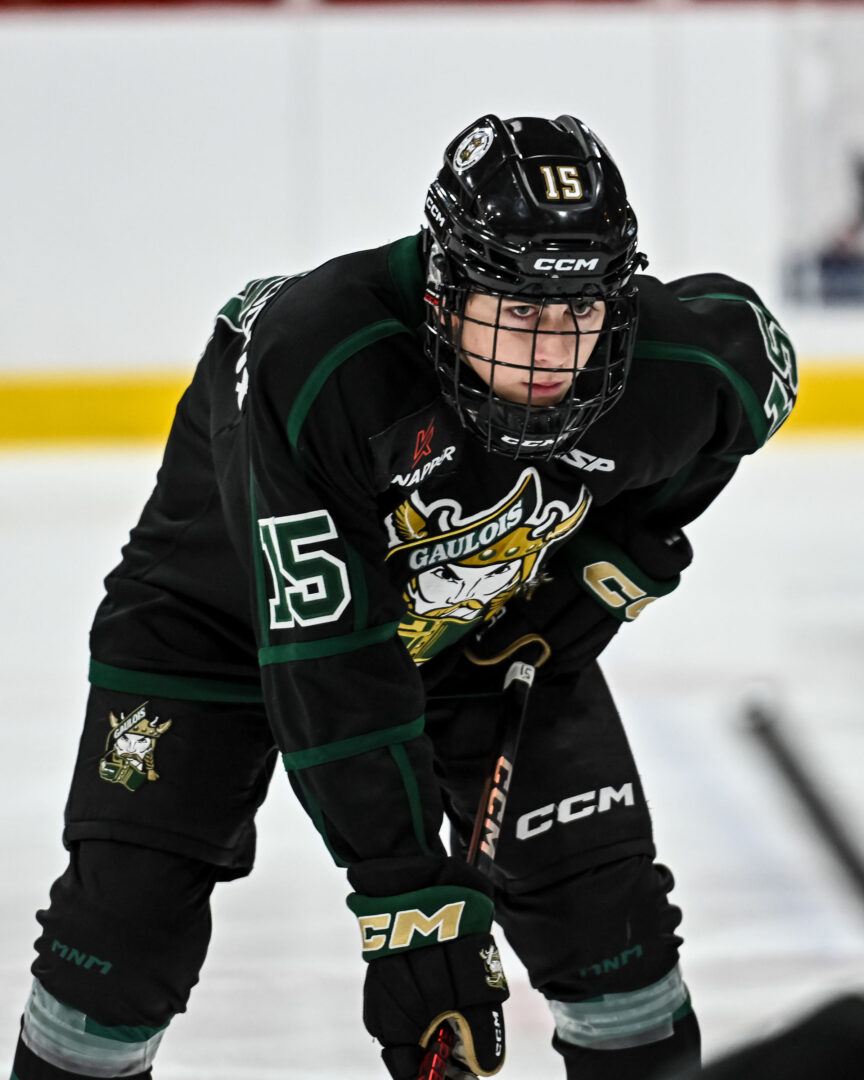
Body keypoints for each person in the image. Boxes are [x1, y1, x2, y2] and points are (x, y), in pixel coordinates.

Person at [10, 113, 797, 1080]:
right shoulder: (322, 359)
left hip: (481, 632)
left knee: (612, 929)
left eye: (579, 314)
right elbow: (328, 657)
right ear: (445, 287)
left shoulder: (663, 367)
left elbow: (760, 362)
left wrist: (618, 560)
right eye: (518, 313)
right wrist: (407, 905)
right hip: (214, 628)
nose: (552, 358)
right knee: (119, 933)